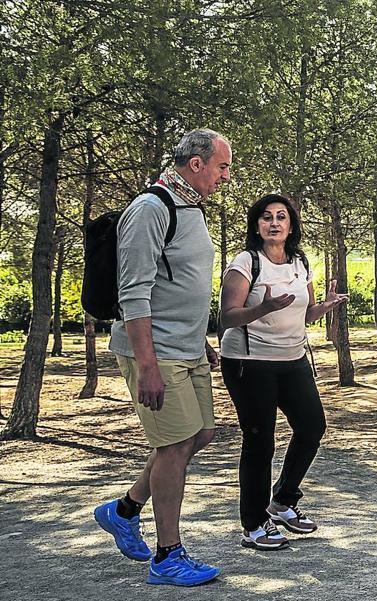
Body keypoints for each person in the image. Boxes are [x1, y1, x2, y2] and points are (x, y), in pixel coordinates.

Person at [93, 128, 231, 586]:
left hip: (187, 347)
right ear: (196, 164)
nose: (225, 176)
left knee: (201, 434)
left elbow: (180, 285)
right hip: (156, 353)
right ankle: (167, 556)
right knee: (174, 446)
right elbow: (134, 294)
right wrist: (147, 365)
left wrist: (201, 339)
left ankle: (125, 509)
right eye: (222, 166)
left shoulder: (189, 208)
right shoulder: (151, 209)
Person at [219, 194, 348, 551]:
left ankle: (283, 501)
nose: (274, 223)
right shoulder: (246, 263)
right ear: (256, 225)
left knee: (311, 427)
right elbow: (227, 317)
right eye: (266, 217)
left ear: (291, 225)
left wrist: (323, 306)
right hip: (249, 362)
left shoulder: (299, 262)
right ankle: (254, 524)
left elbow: (302, 315)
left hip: (292, 360)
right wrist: (262, 307)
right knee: (260, 441)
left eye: (281, 217)